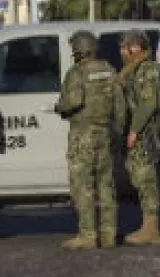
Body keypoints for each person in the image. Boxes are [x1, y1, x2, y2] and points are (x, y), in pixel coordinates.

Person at [54, 30, 126, 250]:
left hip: (83, 135)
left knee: (83, 185)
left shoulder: (77, 72)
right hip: (105, 132)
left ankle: (88, 235)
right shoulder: (109, 70)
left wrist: (59, 107)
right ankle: (109, 234)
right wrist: (119, 131)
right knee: (106, 184)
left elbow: (73, 101)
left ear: (78, 50)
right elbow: (120, 105)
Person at [117, 29, 160, 246]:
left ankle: (152, 229)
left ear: (138, 47)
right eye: (122, 47)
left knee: (146, 179)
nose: (124, 51)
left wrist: (134, 130)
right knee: (139, 178)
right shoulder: (133, 70)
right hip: (139, 131)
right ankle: (148, 226)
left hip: (146, 134)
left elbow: (149, 103)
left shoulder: (148, 69)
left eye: (127, 47)